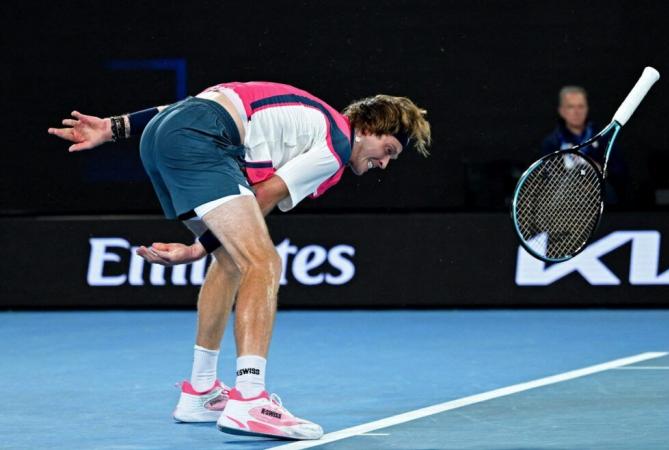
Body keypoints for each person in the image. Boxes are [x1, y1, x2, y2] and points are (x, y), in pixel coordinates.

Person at [48, 81, 431, 440]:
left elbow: (187, 107)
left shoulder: (308, 117)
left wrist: (117, 128)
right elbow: (264, 194)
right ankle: (249, 398)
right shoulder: (338, 141)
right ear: (366, 128)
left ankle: (200, 391)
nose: (384, 164)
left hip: (163, 134)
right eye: (389, 151)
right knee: (263, 263)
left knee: (231, 261)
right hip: (198, 136)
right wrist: (198, 248)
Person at [541, 85, 627, 204]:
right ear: (561, 111)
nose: (576, 112)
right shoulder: (552, 142)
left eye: (581, 106)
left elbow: (620, 171)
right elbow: (546, 177)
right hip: (565, 202)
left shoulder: (604, 138)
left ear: (587, 109)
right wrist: (575, 186)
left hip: (602, 199)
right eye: (571, 107)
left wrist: (601, 172)